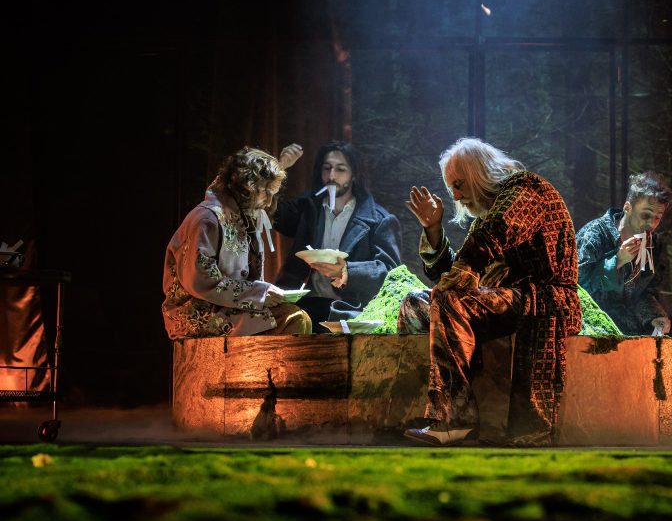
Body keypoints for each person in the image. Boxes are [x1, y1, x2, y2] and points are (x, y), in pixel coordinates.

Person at [402, 137, 581, 446]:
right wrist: (433, 230)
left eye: (459, 185)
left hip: (541, 300)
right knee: (414, 305)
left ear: (479, 173)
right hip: (505, 300)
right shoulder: (485, 219)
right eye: (452, 188)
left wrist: (461, 275)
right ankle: (420, 408)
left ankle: (454, 418)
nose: (456, 196)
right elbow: (455, 275)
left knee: (448, 299)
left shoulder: (527, 189)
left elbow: (495, 233)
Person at [162, 147, 312, 338]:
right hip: (197, 313)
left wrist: (263, 294)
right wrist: (259, 293)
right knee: (293, 318)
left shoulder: (245, 218)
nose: (269, 202)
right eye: (265, 192)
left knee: (297, 314)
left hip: (229, 307)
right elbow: (200, 281)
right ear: (247, 187)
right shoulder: (207, 218)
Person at [273, 141, 402, 327]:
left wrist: (346, 271)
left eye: (340, 169)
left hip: (351, 310)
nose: (332, 176)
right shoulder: (308, 207)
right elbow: (269, 211)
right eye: (327, 168)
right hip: (303, 306)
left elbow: (390, 273)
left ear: (354, 174)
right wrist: (279, 168)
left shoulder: (379, 219)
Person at [576, 170, 672, 335]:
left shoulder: (652, 245)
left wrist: (654, 316)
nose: (651, 224)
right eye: (646, 215)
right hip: (591, 331)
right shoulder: (595, 235)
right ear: (627, 208)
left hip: (629, 333)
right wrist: (616, 261)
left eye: (658, 217)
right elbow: (577, 288)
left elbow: (644, 292)